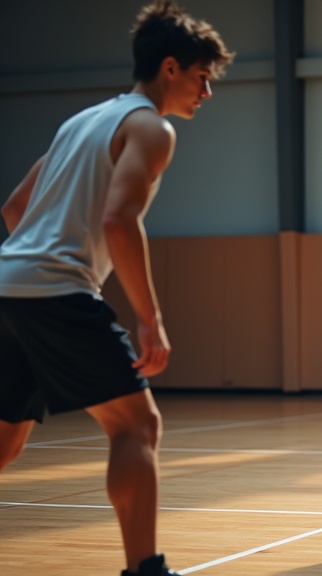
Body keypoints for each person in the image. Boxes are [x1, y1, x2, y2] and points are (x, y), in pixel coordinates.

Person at [0, 2, 233, 574]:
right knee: (138, 425)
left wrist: (35, 264)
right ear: (172, 67)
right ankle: (144, 570)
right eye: (203, 79)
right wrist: (149, 318)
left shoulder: (82, 121)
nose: (207, 93)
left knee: (5, 441)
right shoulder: (151, 128)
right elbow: (117, 220)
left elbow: (15, 208)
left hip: (8, 285)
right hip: (56, 291)